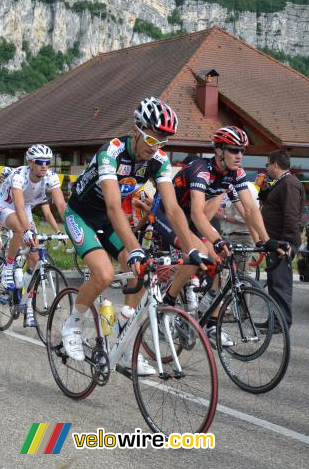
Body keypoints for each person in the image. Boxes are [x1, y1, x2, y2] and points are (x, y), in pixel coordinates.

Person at [62, 97, 207, 375]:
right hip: (82, 215)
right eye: (152, 140)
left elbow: (173, 209)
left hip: (109, 220)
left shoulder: (159, 160)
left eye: (162, 143)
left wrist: (190, 249)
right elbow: (114, 205)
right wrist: (135, 248)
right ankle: (73, 323)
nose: (156, 149)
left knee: (141, 272)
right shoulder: (111, 153)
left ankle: (126, 342)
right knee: (104, 274)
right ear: (136, 130)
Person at [152, 126, 285, 346]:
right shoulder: (201, 169)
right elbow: (196, 212)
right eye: (234, 150)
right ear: (219, 151)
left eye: (242, 150)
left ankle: (211, 323)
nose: (239, 155)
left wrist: (267, 241)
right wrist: (217, 240)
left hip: (191, 219)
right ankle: (169, 301)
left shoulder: (236, 174)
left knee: (220, 263)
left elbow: (250, 210)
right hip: (168, 213)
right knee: (203, 252)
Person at [0, 143, 66, 327]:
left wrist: (73, 229)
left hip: (24, 208)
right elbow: (17, 206)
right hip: (5, 206)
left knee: (34, 257)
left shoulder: (51, 177)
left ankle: (26, 302)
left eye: (47, 162)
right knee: (19, 229)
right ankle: (8, 267)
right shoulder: (19, 175)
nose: (44, 166)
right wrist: (26, 230)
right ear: (30, 162)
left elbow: (61, 205)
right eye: (39, 162)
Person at [261, 150, 304, 329]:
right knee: (274, 283)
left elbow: (291, 215)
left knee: (280, 284)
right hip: (274, 241)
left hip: (282, 242)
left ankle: (281, 322)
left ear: (275, 165)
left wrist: (286, 243)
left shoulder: (289, 184)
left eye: (267, 164)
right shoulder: (280, 183)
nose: (267, 168)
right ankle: (274, 319)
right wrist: (264, 190)